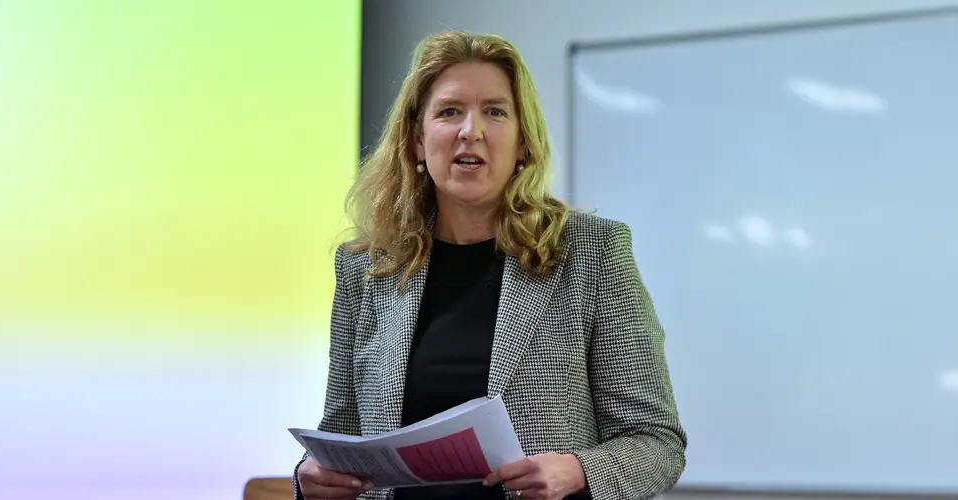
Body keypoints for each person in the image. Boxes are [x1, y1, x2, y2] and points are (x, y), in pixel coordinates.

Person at [293, 30, 686, 500]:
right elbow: (340, 433)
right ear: (418, 141)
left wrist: (578, 472)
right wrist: (308, 478)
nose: (470, 131)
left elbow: (658, 443)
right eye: (449, 112)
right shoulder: (367, 268)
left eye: (495, 112)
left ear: (523, 142)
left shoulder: (592, 253)